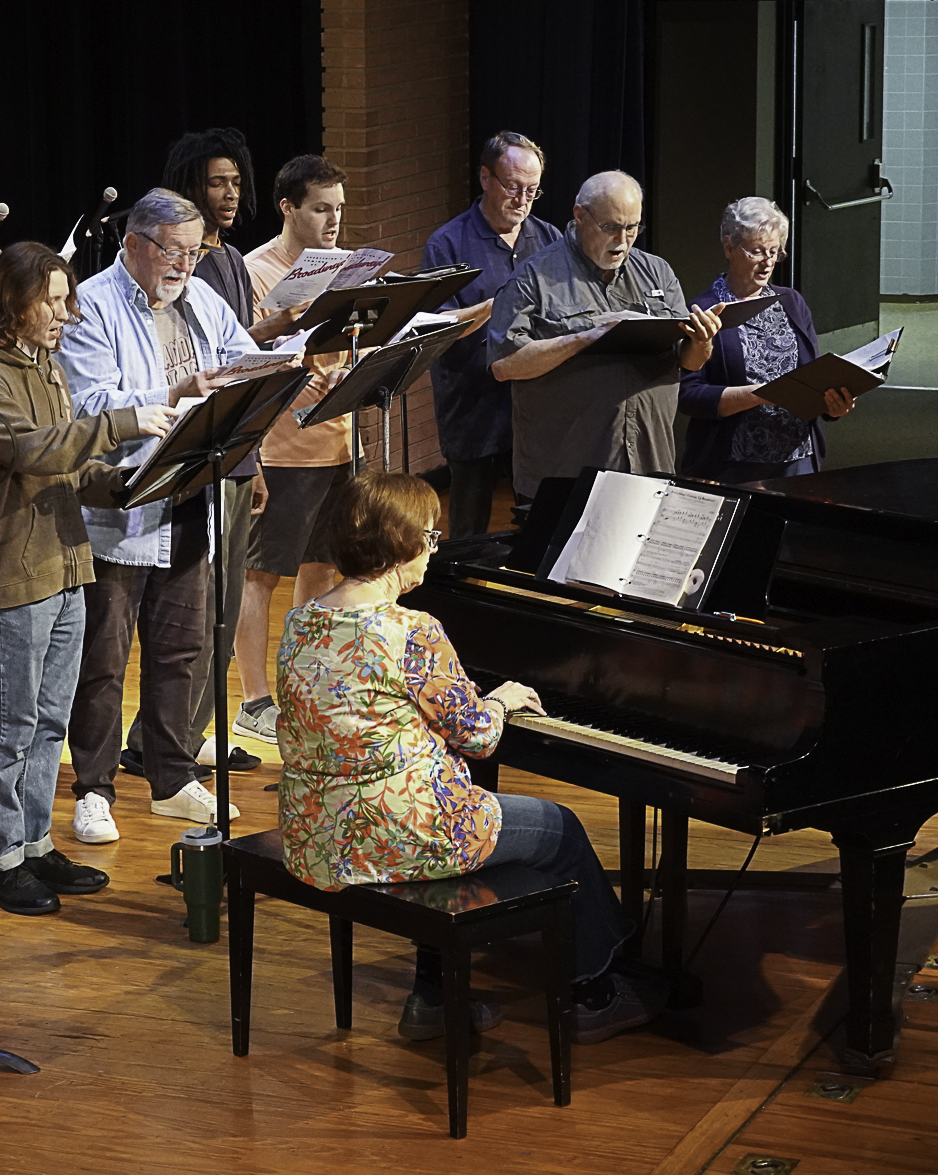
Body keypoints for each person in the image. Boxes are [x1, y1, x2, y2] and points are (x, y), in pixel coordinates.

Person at [275, 470, 664, 1045]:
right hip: (399, 830)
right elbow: (479, 737)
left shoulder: (302, 618)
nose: (433, 550)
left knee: (484, 815)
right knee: (560, 830)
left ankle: (434, 992)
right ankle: (593, 989)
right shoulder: (412, 631)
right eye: (430, 538)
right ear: (399, 543)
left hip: (316, 828)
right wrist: (501, 700)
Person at [0, 242, 174, 912]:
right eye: (50, 299)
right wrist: (120, 423)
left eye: (65, 297)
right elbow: (29, 450)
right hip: (11, 570)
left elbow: (68, 467)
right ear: (12, 299)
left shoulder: (45, 363)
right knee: (9, 721)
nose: (64, 312)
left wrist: (129, 483)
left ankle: (36, 844)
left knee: (50, 718)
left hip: (66, 560)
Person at [58, 187, 260, 845]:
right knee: (104, 658)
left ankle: (172, 778)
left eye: (194, 252)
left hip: (190, 493)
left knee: (181, 648)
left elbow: (240, 354)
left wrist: (276, 369)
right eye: (172, 251)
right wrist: (173, 394)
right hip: (122, 506)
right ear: (135, 245)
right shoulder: (90, 303)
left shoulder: (201, 298)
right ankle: (93, 787)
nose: (185, 265)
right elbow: (91, 406)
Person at [117, 128, 272, 782]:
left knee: (222, 605)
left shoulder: (228, 260)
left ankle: (185, 730)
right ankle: (162, 738)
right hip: (184, 451)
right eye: (216, 182)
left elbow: (238, 358)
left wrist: (253, 454)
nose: (229, 194)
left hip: (232, 447)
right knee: (189, 610)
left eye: (236, 182)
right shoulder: (175, 269)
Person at [487, 171, 723, 503]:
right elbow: (505, 364)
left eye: (632, 228)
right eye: (611, 227)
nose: (623, 240)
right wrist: (588, 337)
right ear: (580, 216)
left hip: (648, 466)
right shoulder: (533, 277)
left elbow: (688, 362)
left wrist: (702, 341)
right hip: (565, 474)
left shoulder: (658, 272)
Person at [232, 155, 354, 748]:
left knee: (323, 567)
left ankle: (302, 682)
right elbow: (247, 360)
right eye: (321, 209)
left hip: (337, 442)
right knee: (261, 575)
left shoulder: (345, 267)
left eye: (338, 208)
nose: (333, 220)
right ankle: (254, 699)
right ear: (289, 208)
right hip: (282, 447)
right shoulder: (256, 272)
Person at [422, 132, 564, 536]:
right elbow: (435, 329)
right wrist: (496, 306)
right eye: (513, 187)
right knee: (470, 525)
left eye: (532, 190)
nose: (522, 199)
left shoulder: (550, 238)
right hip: (474, 406)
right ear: (485, 178)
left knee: (536, 519)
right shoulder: (447, 244)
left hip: (533, 402)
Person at [678, 196, 856, 482]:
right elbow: (688, 396)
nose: (768, 263)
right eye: (757, 252)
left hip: (799, 459)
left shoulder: (791, 302)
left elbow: (813, 376)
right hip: (731, 465)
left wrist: (833, 404)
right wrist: (759, 395)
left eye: (775, 252)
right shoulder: (705, 311)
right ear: (729, 247)